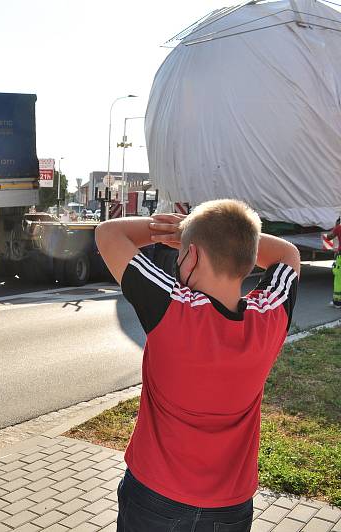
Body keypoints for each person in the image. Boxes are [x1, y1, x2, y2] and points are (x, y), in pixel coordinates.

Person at [94, 199, 300, 532]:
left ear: (193, 256)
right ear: (247, 260)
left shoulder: (172, 307)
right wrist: (216, 236)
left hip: (155, 496)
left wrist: (180, 230)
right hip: (231, 507)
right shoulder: (269, 317)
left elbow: (108, 233)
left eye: (181, 255)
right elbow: (289, 254)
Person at [324, 216, 341, 308]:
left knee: (339, 279)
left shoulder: (339, 228)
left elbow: (329, 237)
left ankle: (337, 303)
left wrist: (336, 226)